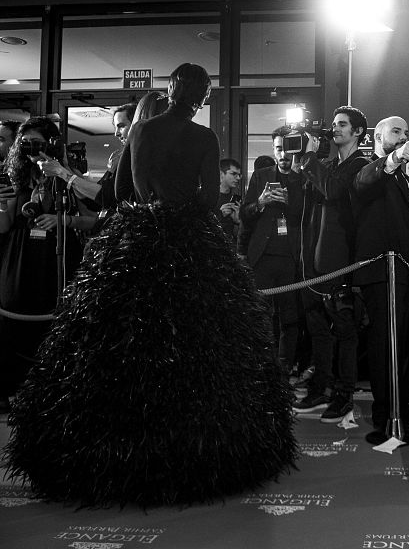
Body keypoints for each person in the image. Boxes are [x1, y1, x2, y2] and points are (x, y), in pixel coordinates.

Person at [3, 63, 296, 507]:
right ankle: (201, 455)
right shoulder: (204, 138)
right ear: (204, 97)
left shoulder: (140, 132)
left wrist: (149, 207)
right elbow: (209, 199)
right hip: (191, 246)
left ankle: (109, 456)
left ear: (171, 89)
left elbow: (121, 193)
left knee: (120, 343)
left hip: (135, 239)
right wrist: (182, 212)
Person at [0, 117, 93, 414]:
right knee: (14, 328)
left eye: (37, 143)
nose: (30, 150)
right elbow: (4, 225)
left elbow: (94, 218)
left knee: (55, 332)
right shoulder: (17, 176)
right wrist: (1, 204)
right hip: (20, 258)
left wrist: (61, 218)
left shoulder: (66, 176)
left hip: (57, 259)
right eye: (24, 144)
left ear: (51, 144)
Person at [352, 115, 409, 445]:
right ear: (377, 135)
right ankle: (386, 416)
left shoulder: (408, 181)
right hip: (386, 274)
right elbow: (362, 182)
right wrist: (395, 157)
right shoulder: (374, 168)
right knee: (388, 346)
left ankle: (403, 405)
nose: (403, 136)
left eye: (406, 132)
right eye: (396, 131)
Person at [291, 106, 370, 424]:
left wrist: (310, 160)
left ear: (357, 132)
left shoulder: (360, 164)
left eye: (342, 125)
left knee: (345, 331)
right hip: (313, 258)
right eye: (334, 124)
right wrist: (303, 162)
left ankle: (343, 393)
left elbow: (335, 190)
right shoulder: (326, 164)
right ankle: (320, 386)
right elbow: (304, 201)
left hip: (341, 260)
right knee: (319, 330)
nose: (334, 129)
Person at [239, 126, 305, 374]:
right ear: (273, 150)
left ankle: (285, 368)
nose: (283, 154)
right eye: (278, 148)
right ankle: (262, 367)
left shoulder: (303, 178)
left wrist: (291, 204)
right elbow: (245, 215)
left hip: (291, 257)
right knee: (261, 315)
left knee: (290, 317)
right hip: (262, 257)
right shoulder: (261, 176)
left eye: (288, 149)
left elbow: (308, 218)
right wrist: (261, 203)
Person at [217, 157, 242, 246]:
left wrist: (237, 221)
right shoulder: (208, 197)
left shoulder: (237, 199)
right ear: (221, 174)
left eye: (239, 175)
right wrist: (220, 216)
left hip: (231, 249)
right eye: (234, 174)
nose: (238, 178)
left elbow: (240, 235)